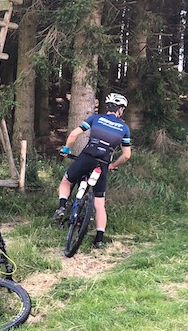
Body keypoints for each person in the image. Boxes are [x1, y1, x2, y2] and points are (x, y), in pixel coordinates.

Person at [53, 93, 132, 249]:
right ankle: (99, 240)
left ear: (107, 107)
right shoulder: (124, 128)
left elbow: (74, 134)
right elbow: (126, 155)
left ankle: (62, 206)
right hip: (103, 163)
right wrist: (113, 165)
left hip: (87, 157)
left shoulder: (96, 118)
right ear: (120, 110)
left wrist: (66, 149)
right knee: (99, 203)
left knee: (67, 181)